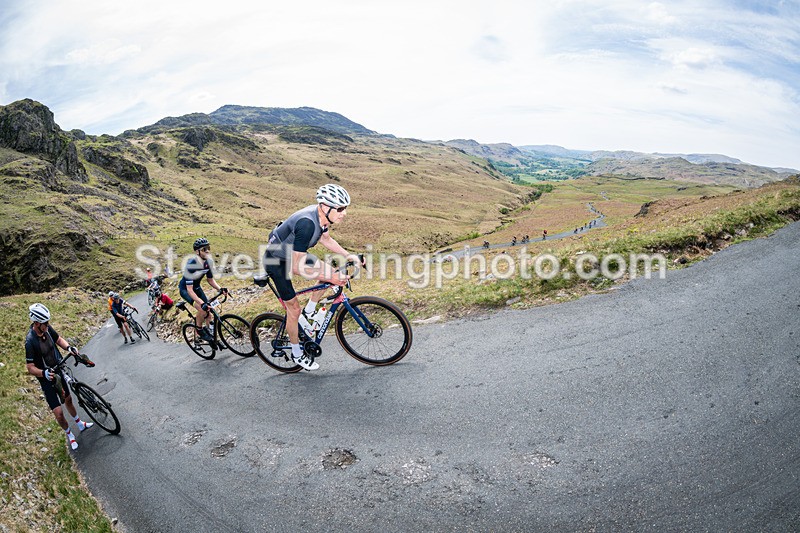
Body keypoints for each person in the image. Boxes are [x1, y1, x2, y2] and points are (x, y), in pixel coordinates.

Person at [263, 183, 361, 371]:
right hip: (277, 261)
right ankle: (297, 353)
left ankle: (309, 312)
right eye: (340, 209)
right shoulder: (307, 224)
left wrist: (348, 255)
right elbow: (297, 268)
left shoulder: (322, 218)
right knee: (293, 310)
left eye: (345, 208)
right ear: (325, 206)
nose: (344, 213)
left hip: (293, 255)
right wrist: (332, 278)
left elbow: (325, 239)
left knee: (330, 272)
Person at [25, 303, 95, 451]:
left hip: (58, 369)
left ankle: (79, 423)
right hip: (46, 378)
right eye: (45, 323)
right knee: (59, 414)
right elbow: (30, 368)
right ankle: (69, 434)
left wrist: (69, 347)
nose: (48, 325)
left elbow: (59, 340)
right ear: (37, 323)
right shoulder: (30, 341)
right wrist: (43, 373)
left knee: (68, 399)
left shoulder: (48, 329)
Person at [179, 238, 227, 342]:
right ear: (197, 251)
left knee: (209, 312)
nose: (208, 251)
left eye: (208, 248)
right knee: (202, 308)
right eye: (204, 249)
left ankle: (211, 337)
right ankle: (199, 330)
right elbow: (190, 290)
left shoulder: (208, 262)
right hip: (186, 290)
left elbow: (210, 280)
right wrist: (201, 303)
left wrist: (220, 289)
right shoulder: (191, 265)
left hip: (197, 287)